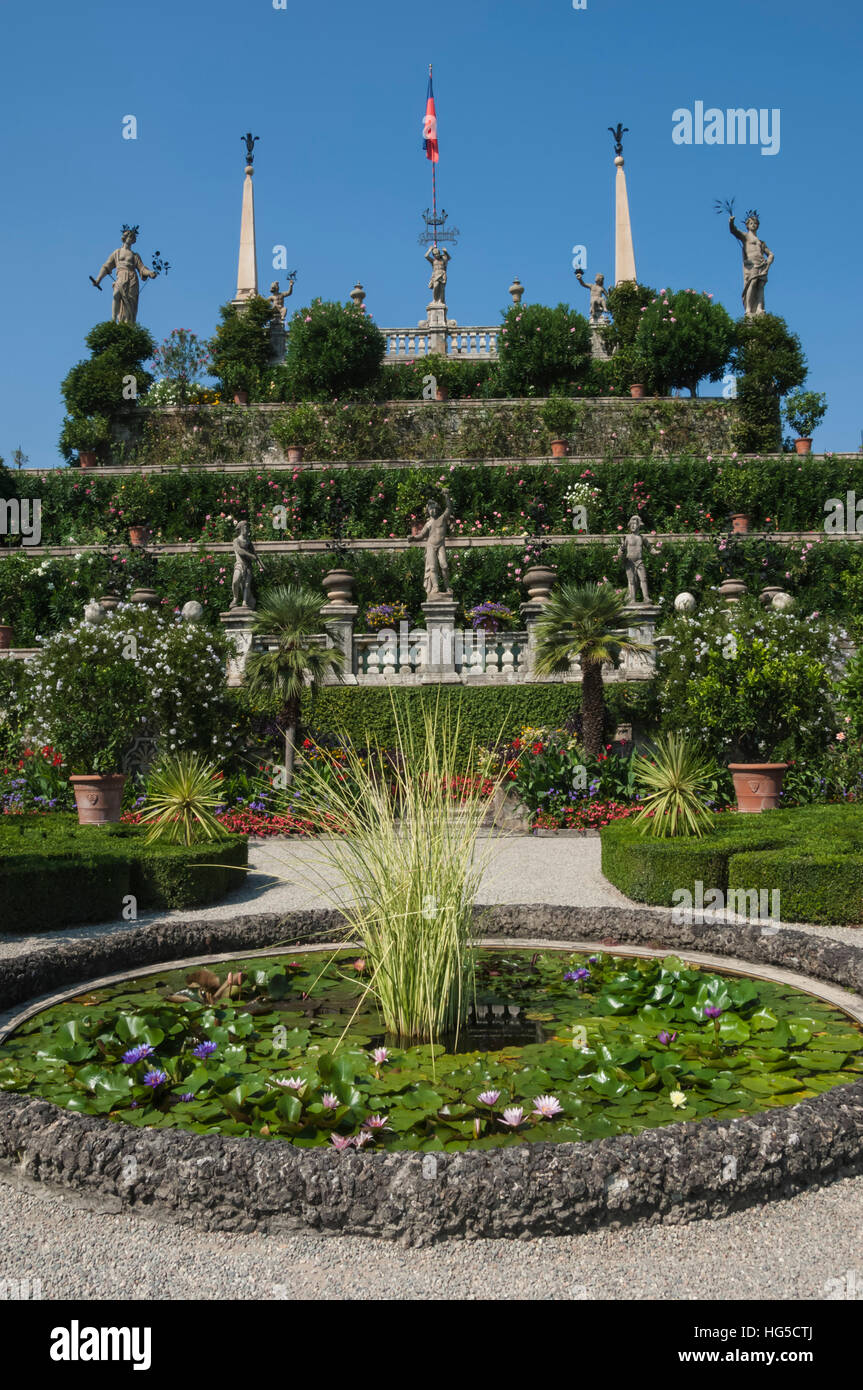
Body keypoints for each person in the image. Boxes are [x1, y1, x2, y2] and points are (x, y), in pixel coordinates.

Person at [91, 226, 156, 324]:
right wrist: (98, 279)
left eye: (133, 238)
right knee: (116, 294)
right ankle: (113, 320)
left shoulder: (135, 255)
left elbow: (142, 269)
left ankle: (127, 324)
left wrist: (150, 273)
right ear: (125, 237)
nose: (131, 239)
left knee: (129, 303)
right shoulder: (117, 252)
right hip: (121, 275)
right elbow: (106, 266)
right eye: (129, 237)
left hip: (132, 278)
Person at [728, 211, 773, 317]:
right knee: (752, 284)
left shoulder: (761, 242)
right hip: (751, 264)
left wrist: (768, 263)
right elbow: (734, 231)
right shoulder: (746, 237)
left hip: (761, 264)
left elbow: (771, 254)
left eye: (756, 223)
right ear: (747, 225)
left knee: (760, 286)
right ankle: (748, 309)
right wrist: (731, 222)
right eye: (751, 223)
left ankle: (759, 308)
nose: (754, 225)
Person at [412, 493, 452, 597]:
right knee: (433, 568)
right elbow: (421, 535)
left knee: (444, 565)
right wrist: (413, 538)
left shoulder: (442, 518)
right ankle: (435, 587)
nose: (432, 511)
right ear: (428, 511)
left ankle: (447, 587)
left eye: (434, 509)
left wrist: (446, 496)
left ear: (438, 509)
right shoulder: (428, 523)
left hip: (440, 545)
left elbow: (448, 508)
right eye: (430, 509)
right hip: (430, 546)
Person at [619, 515, 650, 603]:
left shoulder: (642, 538)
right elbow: (621, 550)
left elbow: (650, 548)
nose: (632, 526)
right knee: (631, 580)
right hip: (630, 562)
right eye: (631, 524)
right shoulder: (627, 537)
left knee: (643, 579)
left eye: (635, 524)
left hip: (639, 561)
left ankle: (646, 598)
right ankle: (632, 599)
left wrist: (656, 552)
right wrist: (621, 551)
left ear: (639, 525)